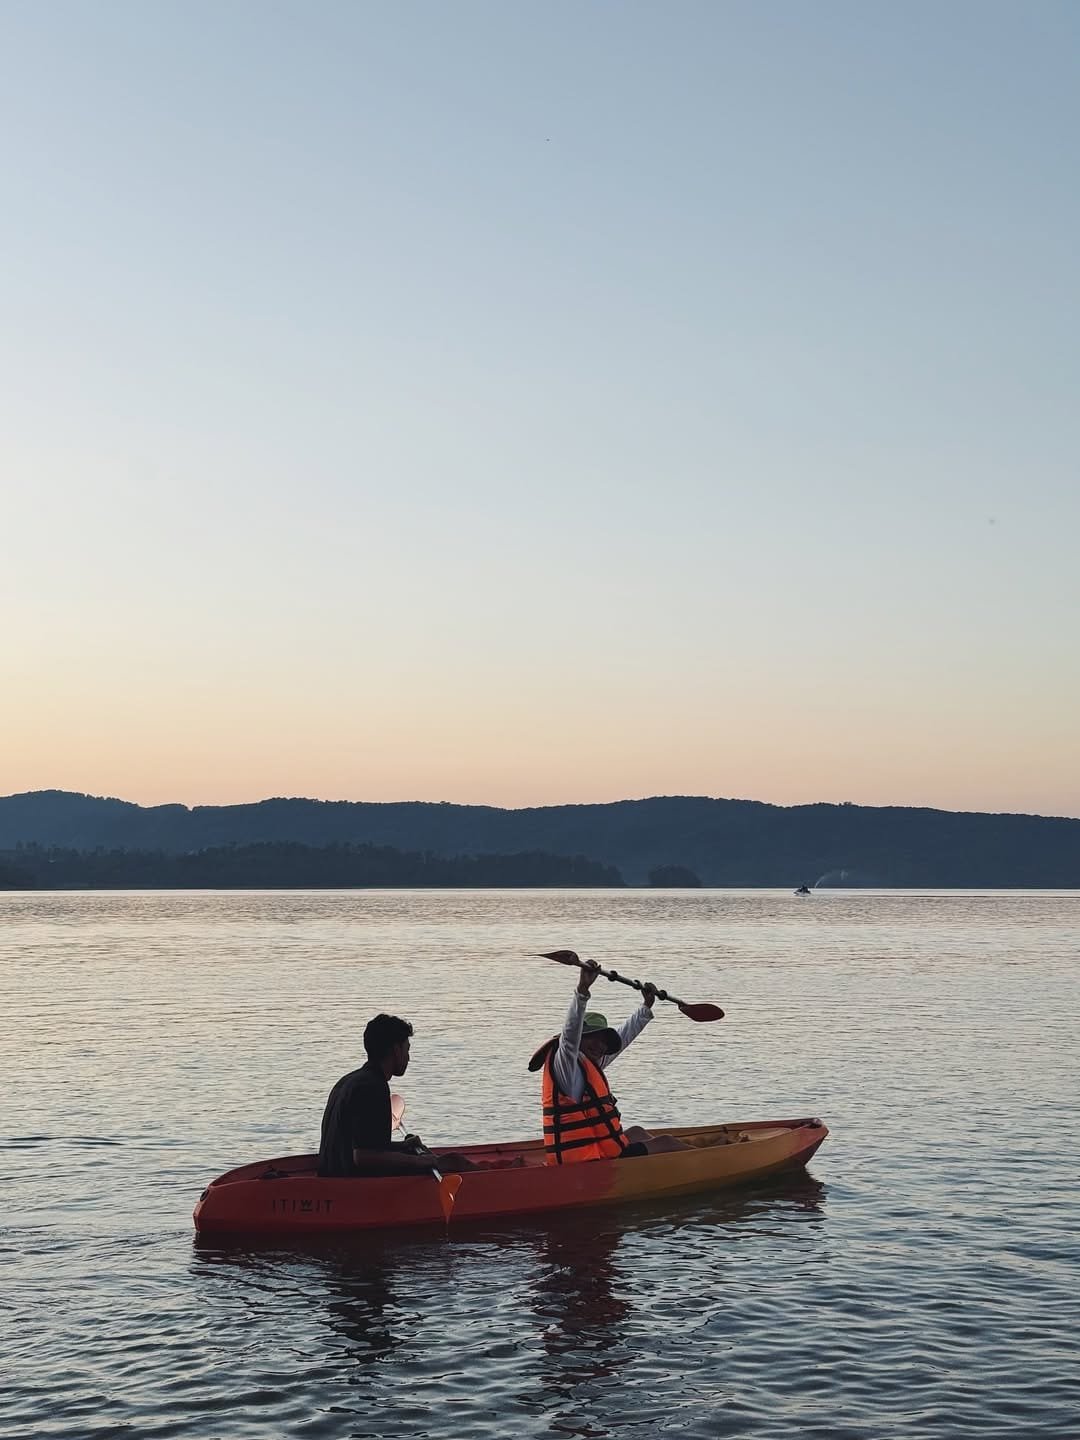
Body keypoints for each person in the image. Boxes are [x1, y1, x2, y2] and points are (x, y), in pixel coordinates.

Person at [529, 961, 691, 1164]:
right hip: (584, 1163)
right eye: (593, 1038)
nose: (600, 1046)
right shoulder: (566, 1065)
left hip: (594, 1150)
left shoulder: (589, 1063)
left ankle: (675, 1162)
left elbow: (624, 1037)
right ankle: (712, 1160)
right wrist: (582, 990)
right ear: (580, 1039)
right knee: (666, 1142)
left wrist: (646, 1007)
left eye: (604, 1041)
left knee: (637, 1132)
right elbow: (570, 1034)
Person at [317, 1013, 473, 1177]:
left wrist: (402, 1146)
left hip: (332, 1174)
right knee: (455, 1161)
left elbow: (366, 1146)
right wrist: (422, 1161)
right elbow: (363, 1157)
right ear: (396, 1050)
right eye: (407, 1049)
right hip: (352, 1183)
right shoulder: (372, 1087)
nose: (408, 1058)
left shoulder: (348, 1081)